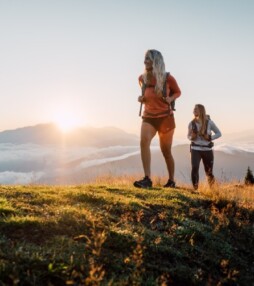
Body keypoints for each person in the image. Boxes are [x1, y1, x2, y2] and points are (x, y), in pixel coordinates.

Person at [133, 49, 181, 189]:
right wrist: (141, 98)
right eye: (145, 59)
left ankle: (171, 181)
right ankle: (147, 179)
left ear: (156, 61)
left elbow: (178, 91)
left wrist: (171, 98)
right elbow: (145, 95)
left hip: (165, 118)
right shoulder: (142, 78)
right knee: (144, 142)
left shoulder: (168, 78)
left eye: (148, 59)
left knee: (165, 151)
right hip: (149, 117)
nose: (145, 61)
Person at [187, 104, 222, 190]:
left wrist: (210, 138)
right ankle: (195, 190)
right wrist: (192, 137)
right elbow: (188, 136)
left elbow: (219, 133)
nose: (194, 110)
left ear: (201, 111)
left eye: (196, 109)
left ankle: (213, 191)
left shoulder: (209, 122)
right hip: (195, 149)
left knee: (209, 172)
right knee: (194, 168)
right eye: (194, 109)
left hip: (207, 150)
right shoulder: (191, 123)